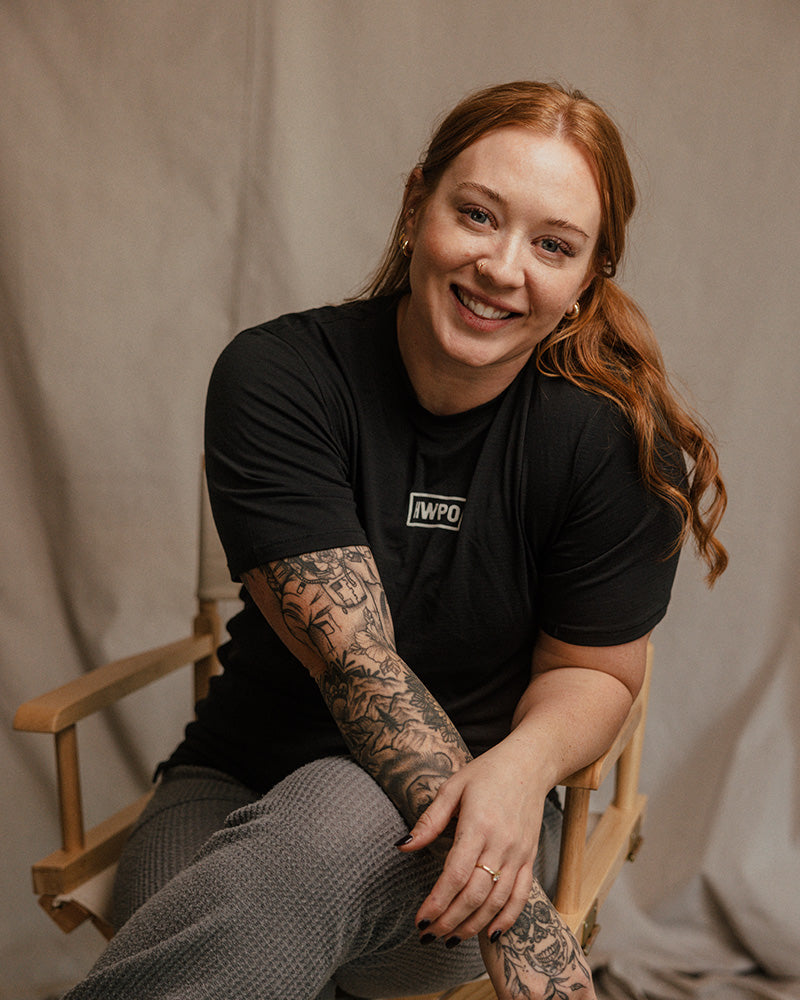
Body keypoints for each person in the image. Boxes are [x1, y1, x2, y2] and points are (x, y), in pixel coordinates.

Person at [64, 81, 727, 1000]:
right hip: (235, 790)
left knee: (330, 817)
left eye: (553, 245)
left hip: (471, 840)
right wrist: (540, 948)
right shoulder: (282, 376)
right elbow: (358, 665)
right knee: (275, 872)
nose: (502, 267)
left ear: (588, 278)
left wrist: (518, 772)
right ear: (417, 205)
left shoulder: (613, 441)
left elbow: (594, 672)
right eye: (477, 214)